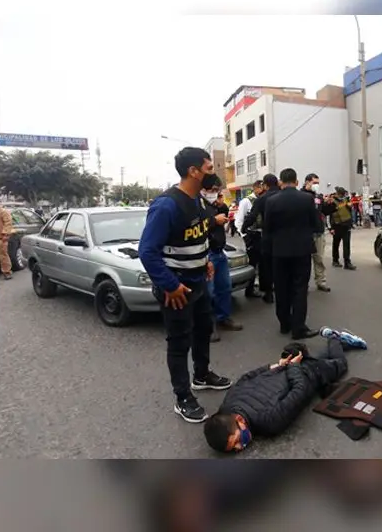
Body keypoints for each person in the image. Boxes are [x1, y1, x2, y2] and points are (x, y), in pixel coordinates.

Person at [138, 147, 232, 424]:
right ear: (193, 171)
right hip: (176, 290)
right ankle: (183, 397)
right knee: (179, 343)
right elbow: (147, 251)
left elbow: (198, 235)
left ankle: (201, 376)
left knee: (203, 331)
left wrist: (206, 262)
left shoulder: (199, 202)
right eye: (209, 168)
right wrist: (170, 286)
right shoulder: (167, 205)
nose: (212, 175)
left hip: (199, 281)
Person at [202, 330, 366, 453]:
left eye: (237, 440)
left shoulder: (269, 422)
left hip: (306, 373)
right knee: (321, 361)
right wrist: (276, 366)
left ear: (238, 419)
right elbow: (246, 378)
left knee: (340, 364)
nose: (240, 447)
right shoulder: (228, 405)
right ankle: (327, 345)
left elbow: (299, 390)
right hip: (289, 367)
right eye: (234, 448)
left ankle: (335, 338)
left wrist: (289, 366)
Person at [265, 168, 324, 339]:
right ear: (297, 182)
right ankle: (298, 327)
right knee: (300, 289)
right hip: (302, 250)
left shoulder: (271, 201)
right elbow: (316, 224)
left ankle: (284, 323)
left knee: (282, 288)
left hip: (279, 251)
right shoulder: (307, 199)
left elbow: (267, 228)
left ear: (281, 182)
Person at [201, 174, 243, 336]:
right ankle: (207, 327)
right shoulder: (198, 205)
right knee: (208, 293)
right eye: (212, 191)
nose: (215, 194)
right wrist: (213, 220)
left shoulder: (216, 205)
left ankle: (223, 318)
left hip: (219, 252)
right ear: (203, 190)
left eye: (217, 191)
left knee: (224, 288)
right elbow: (196, 226)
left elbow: (225, 213)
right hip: (206, 254)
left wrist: (220, 204)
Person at [243, 174, 280, 304]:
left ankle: (269, 293)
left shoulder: (262, 199)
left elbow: (252, 216)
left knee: (266, 266)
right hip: (284, 237)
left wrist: (244, 228)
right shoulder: (284, 196)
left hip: (268, 236)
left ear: (265, 185)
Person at [302, 173, 334, 293]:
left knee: (319, 259)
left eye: (318, 184)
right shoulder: (301, 195)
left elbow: (324, 211)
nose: (316, 186)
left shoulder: (319, 197)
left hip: (319, 232)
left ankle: (321, 281)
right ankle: (303, 284)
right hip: (306, 233)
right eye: (314, 183)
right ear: (307, 182)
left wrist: (330, 205)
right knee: (305, 261)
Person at [234, 180, 266, 299]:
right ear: (256, 188)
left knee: (263, 263)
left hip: (263, 234)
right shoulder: (246, 201)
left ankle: (262, 286)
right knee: (252, 263)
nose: (264, 190)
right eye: (262, 188)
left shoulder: (263, 200)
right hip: (252, 235)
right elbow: (239, 221)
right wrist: (245, 237)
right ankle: (250, 289)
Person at [329, 187, 357, 270]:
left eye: (344, 194)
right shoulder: (332, 201)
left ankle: (347, 262)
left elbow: (349, 212)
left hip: (346, 225)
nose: (343, 195)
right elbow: (329, 215)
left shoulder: (346, 200)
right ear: (337, 193)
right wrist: (331, 228)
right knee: (336, 244)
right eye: (342, 194)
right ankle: (335, 260)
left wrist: (349, 206)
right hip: (336, 226)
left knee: (346, 245)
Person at [0, 204, 14, 280]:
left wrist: (5, 234)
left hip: (1, 238)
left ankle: (7, 272)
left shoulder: (3, 212)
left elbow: (8, 223)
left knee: (3, 256)